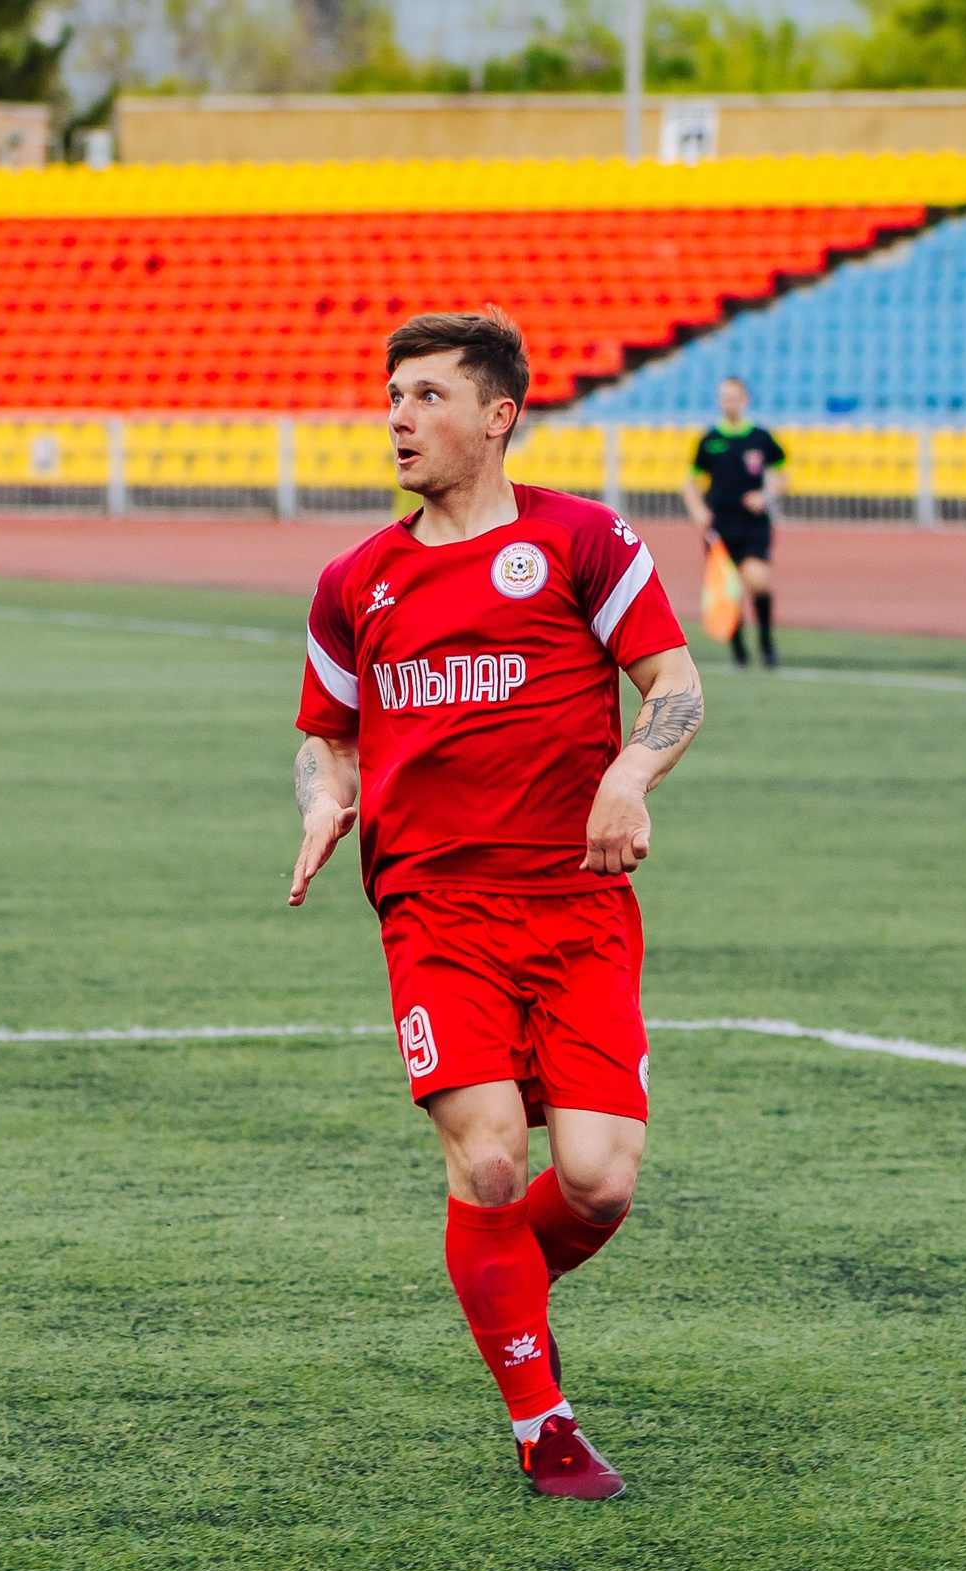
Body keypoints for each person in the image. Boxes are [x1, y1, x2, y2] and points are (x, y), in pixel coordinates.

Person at [287, 309, 704, 1501]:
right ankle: (544, 1426)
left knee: (598, 1179)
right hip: (435, 911)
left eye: (425, 396)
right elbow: (325, 736)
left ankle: (502, 1289)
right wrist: (325, 801)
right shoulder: (355, 580)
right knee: (487, 1161)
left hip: (577, 908)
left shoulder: (583, 543)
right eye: (393, 395)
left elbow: (673, 683)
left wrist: (627, 776)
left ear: (497, 416)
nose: (398, 417)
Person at [685, 378, 786, 669]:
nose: (728, 401)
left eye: (734, 396)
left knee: (758, 581)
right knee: (729, 589)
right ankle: (739, 652)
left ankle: (766, 642)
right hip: (721, 523)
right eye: (724, 397)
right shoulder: (709, 439)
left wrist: (765, 495)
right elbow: (691, 481)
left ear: (745, 399)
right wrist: (698, 511)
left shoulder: (760, 437)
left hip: (753, 522)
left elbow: (782, 473)